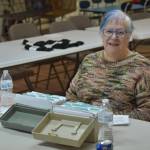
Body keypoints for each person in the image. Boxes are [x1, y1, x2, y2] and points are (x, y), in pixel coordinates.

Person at [66, 10, 150, 121]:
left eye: (120, 32)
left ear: (129, 36)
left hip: (122, 129)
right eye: (109, 31)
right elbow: (71, 95)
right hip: (84, 124)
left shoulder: (142, 67)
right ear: (101, 34)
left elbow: (146, 112)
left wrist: (109, 120)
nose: (114, 36)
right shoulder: (89, 60)